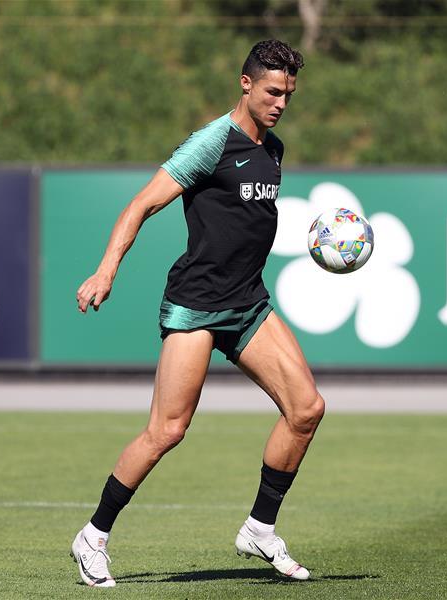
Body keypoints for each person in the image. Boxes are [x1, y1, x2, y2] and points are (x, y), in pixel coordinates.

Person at [70, 40, 323, 587]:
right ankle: (93, 536)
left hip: (249, 303)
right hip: (197, 306)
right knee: (167, 430)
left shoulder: (273, 148)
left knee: (306, 409)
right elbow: (142, 204)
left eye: (289, 94)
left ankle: (260, 527)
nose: (281, 102)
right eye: (273, 91)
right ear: (246, 83)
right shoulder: (212, 143)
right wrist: (106, 270)